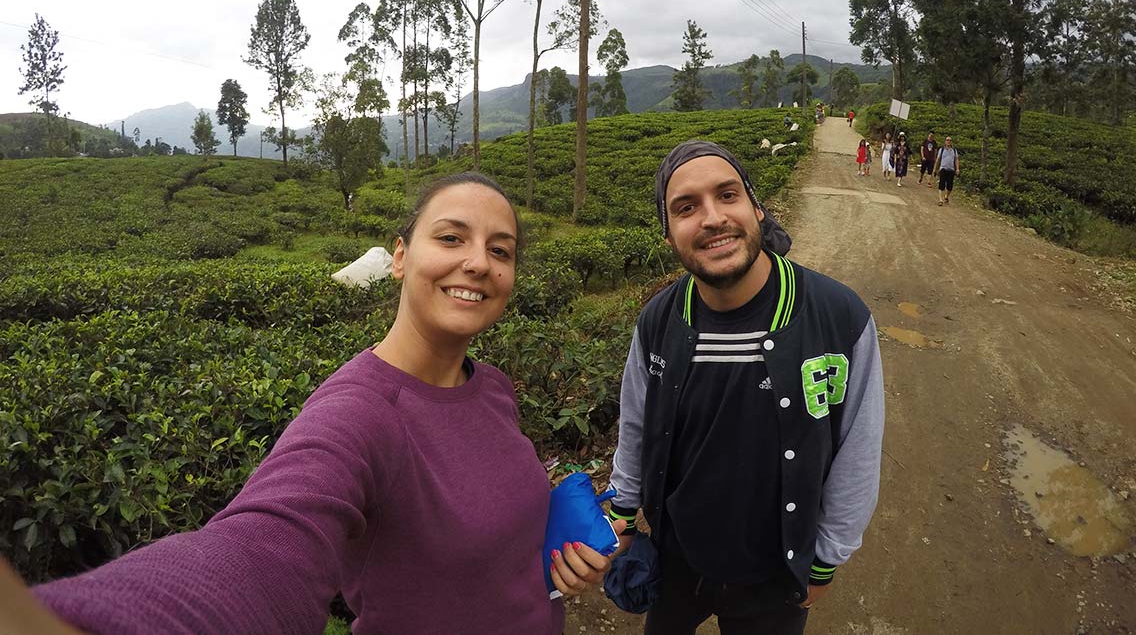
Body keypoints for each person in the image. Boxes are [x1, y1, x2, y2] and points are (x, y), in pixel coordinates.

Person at [3, 172, 619, 635]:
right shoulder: (360, 412)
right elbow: (261, 550)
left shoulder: (493, 387)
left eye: (501, 250)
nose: (478, 262)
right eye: (451, 237)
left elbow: (485, 532)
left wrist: (561, 563)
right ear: (400, 257)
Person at [606, 141, 884, 635]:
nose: (712, 218)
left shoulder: (838, 318)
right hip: (678, 556)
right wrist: (624, 514)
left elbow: (857, 449)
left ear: (756, 208)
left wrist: (825, 560)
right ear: (669, 234)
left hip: (775, 572)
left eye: (727, 195)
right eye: (686, 208)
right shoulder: (658, 322)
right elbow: (635, 423)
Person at [934, 136, 961, 206]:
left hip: (951, 169)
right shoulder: (942, 149)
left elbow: (956, 159)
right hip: (943, 168)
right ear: (945, 141)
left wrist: (957, 169)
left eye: (950, 140)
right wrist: (935, 169)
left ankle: (946, 196)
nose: (948, 141)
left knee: (950, 186)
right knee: (941, 184)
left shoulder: (954, 150)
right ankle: (940, 199)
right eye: (947, 140)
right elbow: (938, 159)